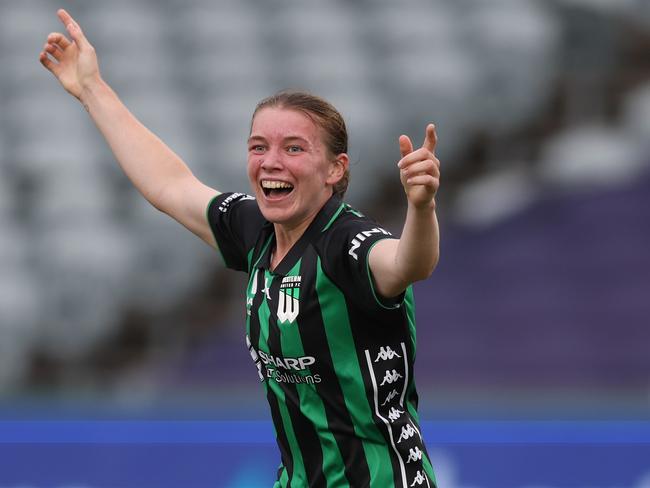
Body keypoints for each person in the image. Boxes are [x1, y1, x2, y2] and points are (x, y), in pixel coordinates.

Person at [40, 9, 441, 488]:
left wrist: (421, 207)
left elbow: (408, 263)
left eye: (294, 148)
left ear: (335, 170)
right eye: (258, 147)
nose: (271, 161)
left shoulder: (346, 242)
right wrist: (91, 88)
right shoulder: (255, 228)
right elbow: (169, 185)